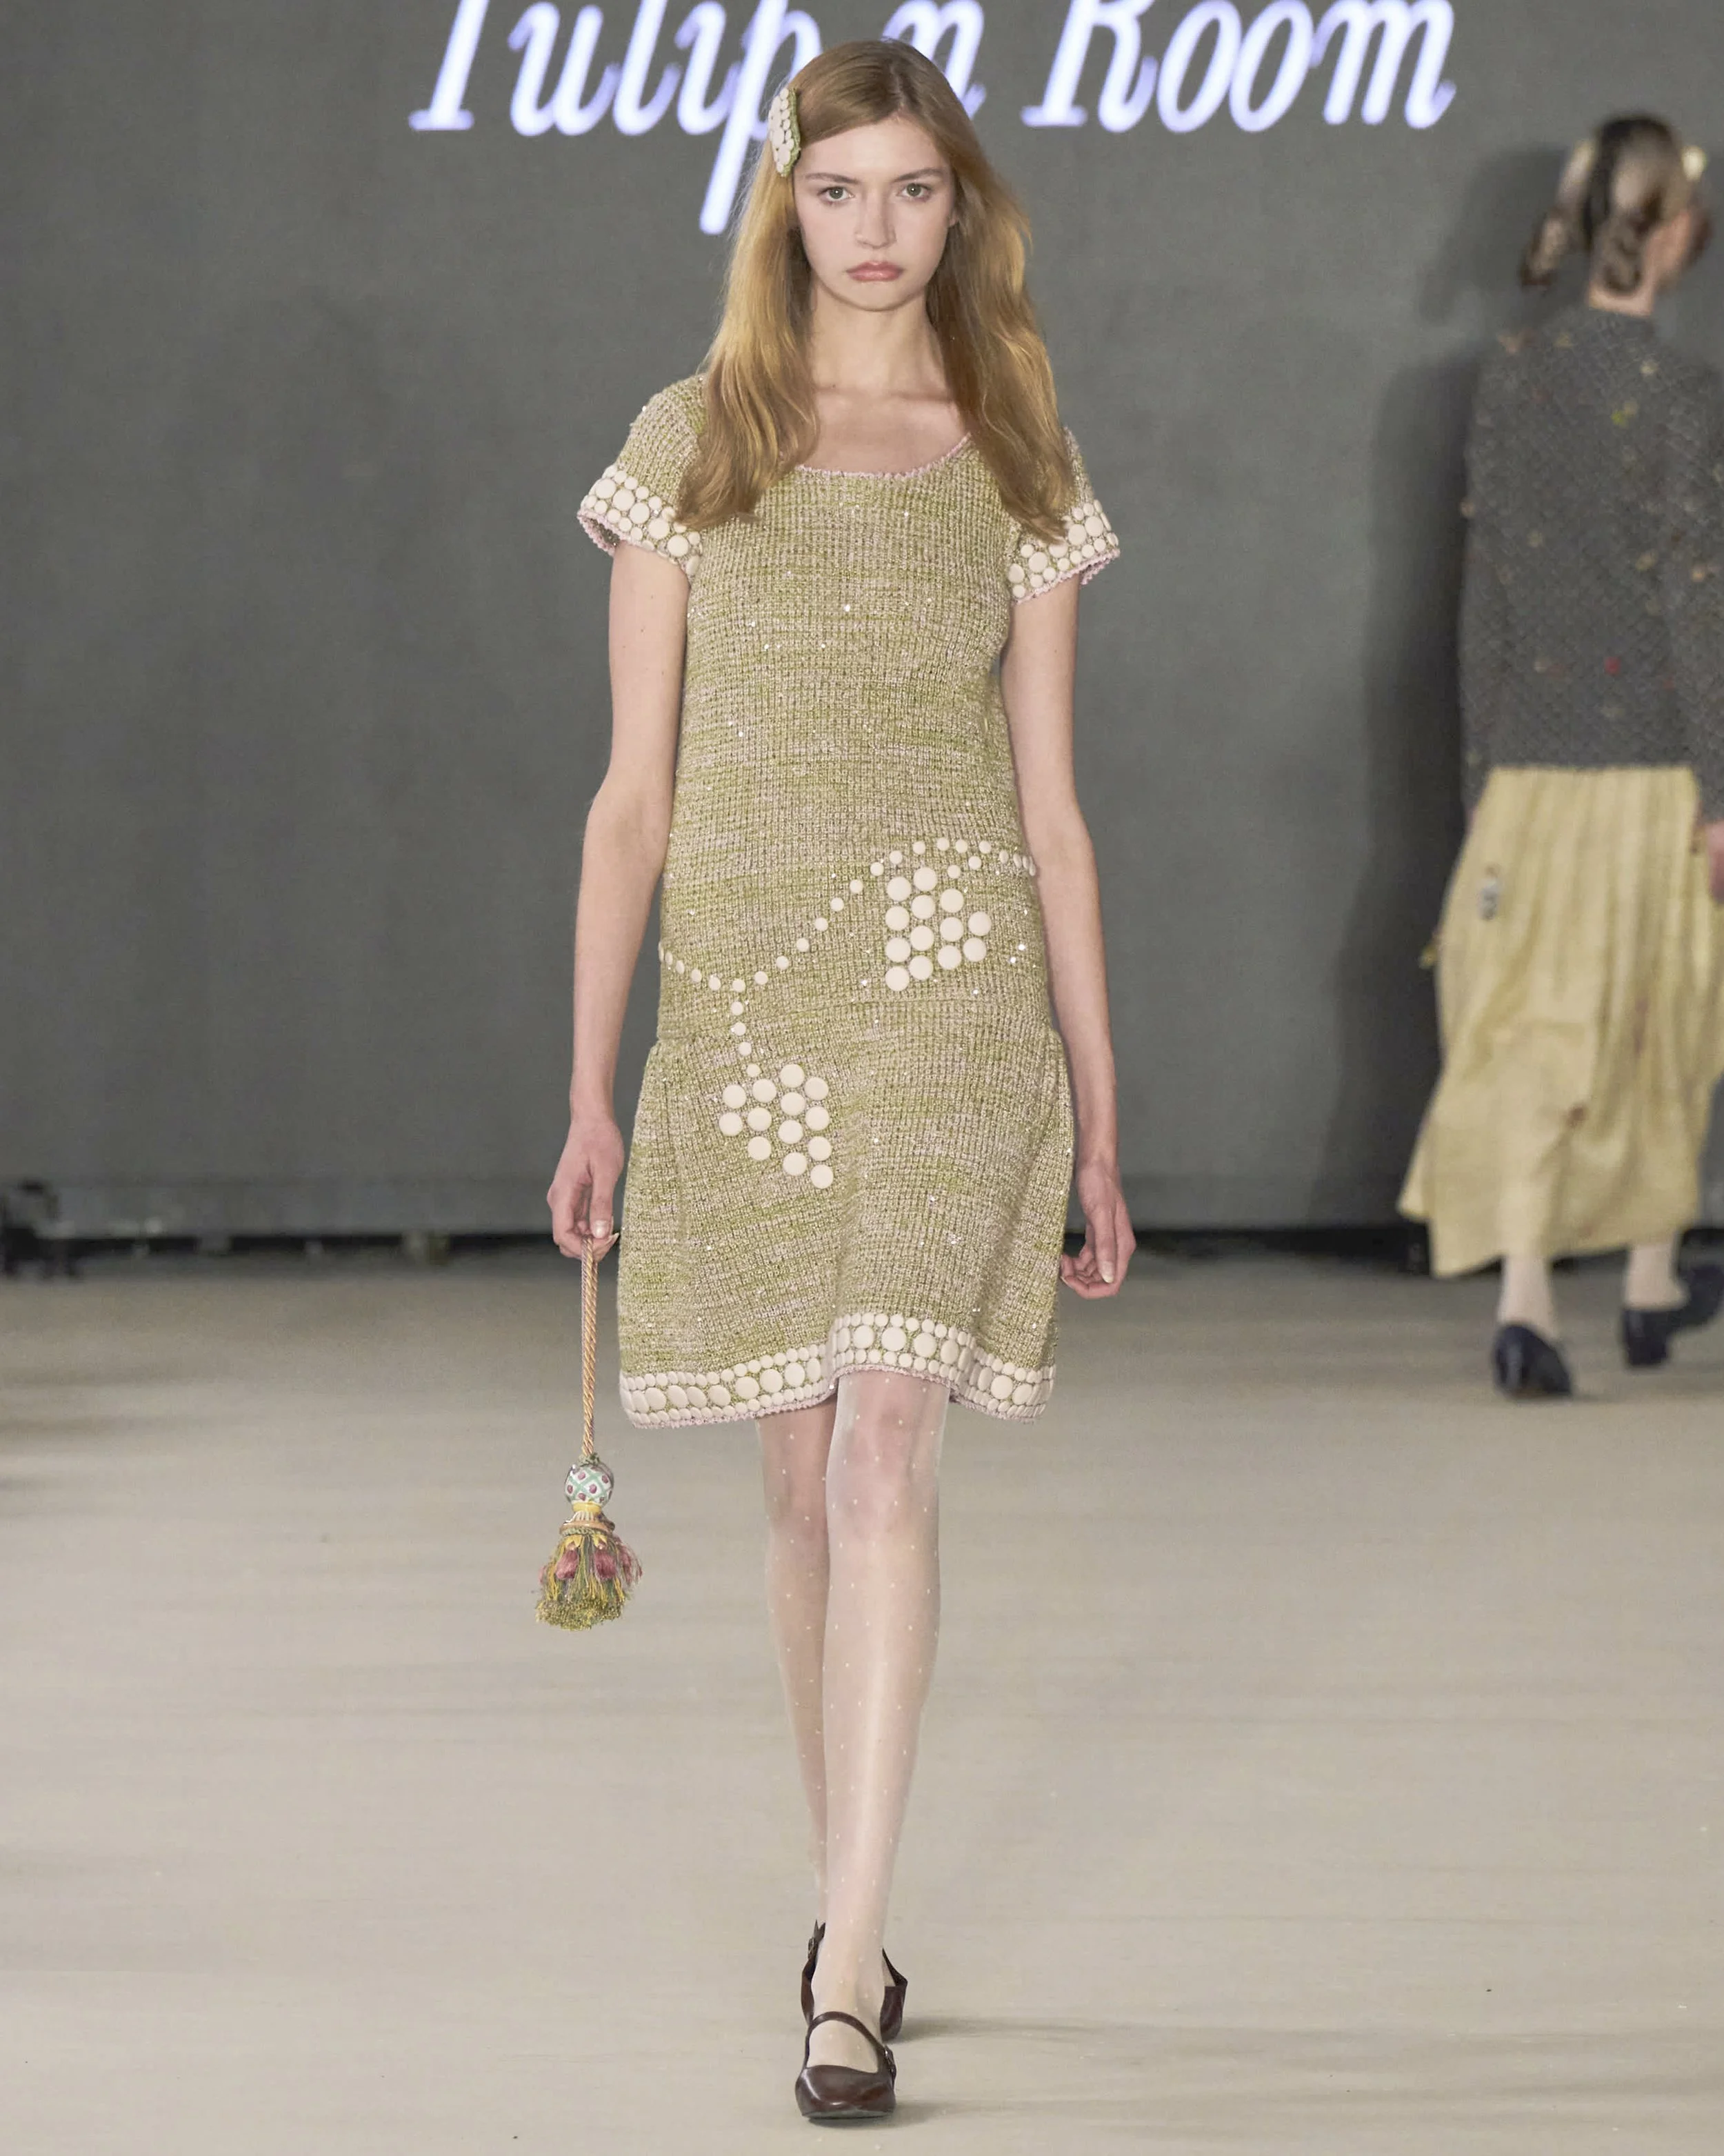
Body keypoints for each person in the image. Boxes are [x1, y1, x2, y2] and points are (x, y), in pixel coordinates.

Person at [546, 39, 1133, 2119]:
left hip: (956, 990)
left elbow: (1052, 812)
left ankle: (849, 1969)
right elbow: (630, 797)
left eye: (911, 188)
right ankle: (847, 1907)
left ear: (958, 208)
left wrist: (1098, 1107)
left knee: (887, 1445)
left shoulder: (1014, 442)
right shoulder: (692, 438)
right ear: (781, 207)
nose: (873, 228)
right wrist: (592, 1085)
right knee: (800, 1485)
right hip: (743, 1009)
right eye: (836, 189)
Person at [1403, 116, 1724, 1398]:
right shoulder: (1682, 397)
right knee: (1662, 1017)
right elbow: (1697, 601)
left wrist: (1484, 777)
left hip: (1532, 769)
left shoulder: (1513, 378)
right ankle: (1645, 1273)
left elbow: (1486, 591)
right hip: (1654, 767)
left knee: (1533, 1028)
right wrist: (1722, 786)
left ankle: (1548, 1298)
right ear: (1675, 235)